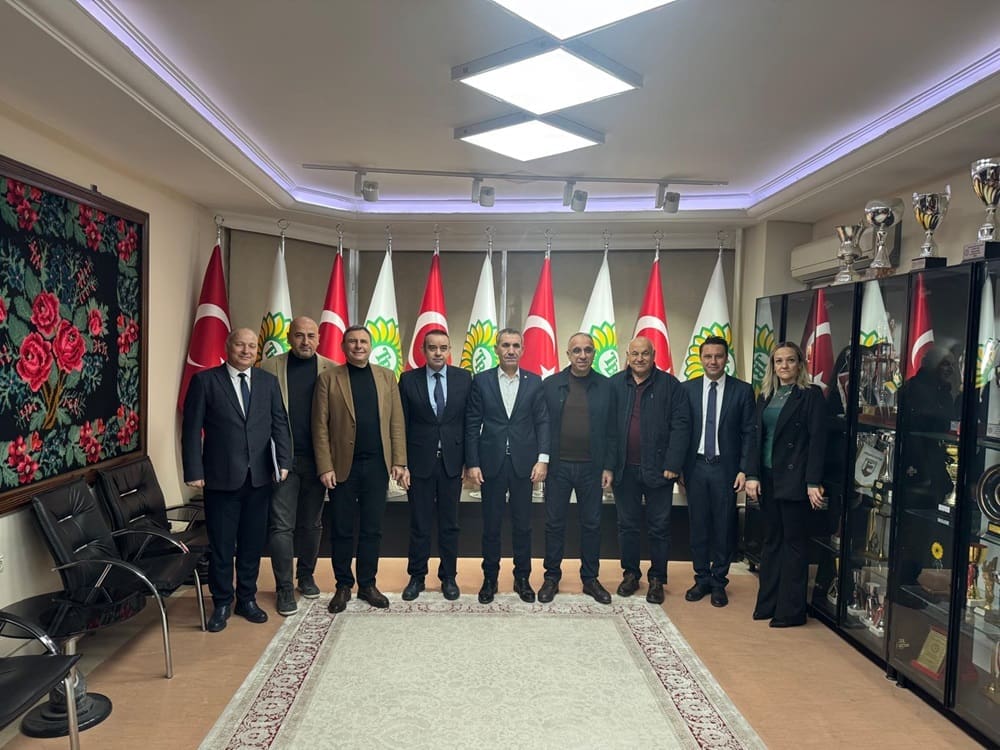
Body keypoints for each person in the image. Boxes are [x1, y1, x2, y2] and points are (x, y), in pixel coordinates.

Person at [181, 327, 291, 633]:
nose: (246, 351)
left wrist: (284, 461)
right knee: (222, 545)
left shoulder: (268, 382)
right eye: (240, 345)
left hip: (259, 478)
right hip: (219, 478)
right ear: (228, 347)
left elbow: (279, 424)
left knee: (252, 544)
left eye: (252, 346)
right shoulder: (205, 381)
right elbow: (191, 429)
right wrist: (194, 470)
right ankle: (221, 603)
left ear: (257, 350)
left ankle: (247, 599)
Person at [312, 325, 407, 613]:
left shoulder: (386, 377)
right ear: (343, 346)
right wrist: (325, 465)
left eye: (363, 341)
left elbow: (396, 422)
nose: (358, 346)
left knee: (372, 529)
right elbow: (320, 426)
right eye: (352, 341)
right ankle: (343, 585)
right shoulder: (328, 379)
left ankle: (367, 584)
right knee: (341, 528)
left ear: (370, 345)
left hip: (377, 466)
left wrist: (399, 461)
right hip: (342, 467)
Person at [745, 341, 827, 628]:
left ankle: (790, 611)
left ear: (800, 364)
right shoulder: (766, 395)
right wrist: (751, 474)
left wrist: (813, 481)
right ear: (773, 366)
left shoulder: (810, 395)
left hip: (795, 479)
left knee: (793, 544)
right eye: (778, 361)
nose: (784, 366)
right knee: (771, 541)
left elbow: (818, 441)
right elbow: (755, 438)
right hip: (767, 477)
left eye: (790, 360)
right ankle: (767, 603)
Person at [465, 328, 550, 604]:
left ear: (522, 350)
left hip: (525, 465)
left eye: (515, 345)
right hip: (491, 464)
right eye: (505, 345)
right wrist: (473, 462)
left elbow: (542, 422)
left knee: (523, 526)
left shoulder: (534, 382)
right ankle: (490, 579)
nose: (510, 350)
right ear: (496, 349)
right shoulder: (481, 380)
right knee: (491, 526)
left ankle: (522, 578)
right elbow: (472, 424)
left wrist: (543, 459)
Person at [259, 316, 336, 616]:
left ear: (319, 338)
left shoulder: (332, 369)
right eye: (299, 335)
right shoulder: (268, 367)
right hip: (283, 461)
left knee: (312, 523)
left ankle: (306, 576)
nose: (305, 341)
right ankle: (283, 588)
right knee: (281, 525)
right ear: (290, 337)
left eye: (311, 336)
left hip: (318, 461)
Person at [610, 336, 690, 604]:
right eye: (634, 354)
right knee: (627, 526)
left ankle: (657, 579)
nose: (639, 358)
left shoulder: (671, 385)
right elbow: (606, 429)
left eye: (645, 353)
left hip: (660, 470)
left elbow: (681, 426)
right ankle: (631, 574)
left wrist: (673, 464)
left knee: (659, 527)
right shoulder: (615, 385)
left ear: (653, 356)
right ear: (627, 355)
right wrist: (608, 465)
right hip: (624, 470)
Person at [539, 332, 617, 604]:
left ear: (594, 353)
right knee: (554, 524)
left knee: (592, 524)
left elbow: (613, 431)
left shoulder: (607, 386)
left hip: (592, 469)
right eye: (577, 350)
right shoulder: (550, 385)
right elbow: (541, 425)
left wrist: (608, 466)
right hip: (558, 467)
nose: (582, 355)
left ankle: (590, 579)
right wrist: (543, 460)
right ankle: (551, 577)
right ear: (568, 354)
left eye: (588, 350)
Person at [398, 329, 472, 601]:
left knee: (450, 524)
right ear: (423, 351)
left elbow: (469, 423)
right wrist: (402, 464)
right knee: (419, 523)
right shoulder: (408, 380)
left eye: (443, 348)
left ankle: (448, 577)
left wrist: (469, 462)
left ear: (449, 350)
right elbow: (401, 424)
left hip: (452, 463)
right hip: (419, 464)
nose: (438, 353)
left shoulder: (464, 378)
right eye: (432, 348)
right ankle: (416, 576)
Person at [680, 336, 753, 608]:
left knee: (724, 526)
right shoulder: (686, 389)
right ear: (701, 358)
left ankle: (719, 581)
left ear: (726, 359)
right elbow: (681, 430)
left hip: (726, 469)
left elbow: (749, 433)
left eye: (718, 356)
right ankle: (701, 578)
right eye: (708, 356)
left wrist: (745, 469)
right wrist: (679, 467)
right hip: (695, 467)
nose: (713, 361)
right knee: (698, 526)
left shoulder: (742, 391)